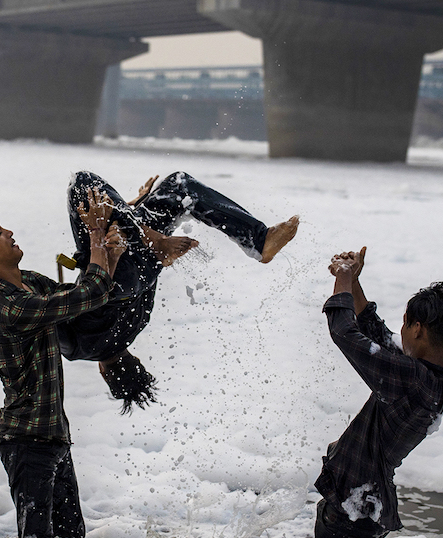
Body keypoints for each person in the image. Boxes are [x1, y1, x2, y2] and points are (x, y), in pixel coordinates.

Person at [0, 190, 122, 538]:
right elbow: (90, 292)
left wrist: (111, 254)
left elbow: (83, 298)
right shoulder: (9, 306)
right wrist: (95, 237)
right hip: (26, 441)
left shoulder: (31, 283)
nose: (7, 231)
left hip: (54, 434)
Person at [298, 247, 443, 538]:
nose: (400, 331)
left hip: (355, 513)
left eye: (406, 324)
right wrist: (355, 281)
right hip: (361, 508)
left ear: (418, 329)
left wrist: (343, 275)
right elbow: (374, 333)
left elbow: (344, 333)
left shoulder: (412, 379)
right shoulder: (432, 374)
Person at [59, 170, 299, 412]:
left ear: (136, 360)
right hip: (114, 277)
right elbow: (46, 313)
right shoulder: (74, 349)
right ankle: (160, 236)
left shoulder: (138, 324)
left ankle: (257, 241)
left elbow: (145, 282)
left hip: (141, 269)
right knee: (83, 184)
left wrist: (132, 212)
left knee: (179, 187)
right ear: (103, 374)